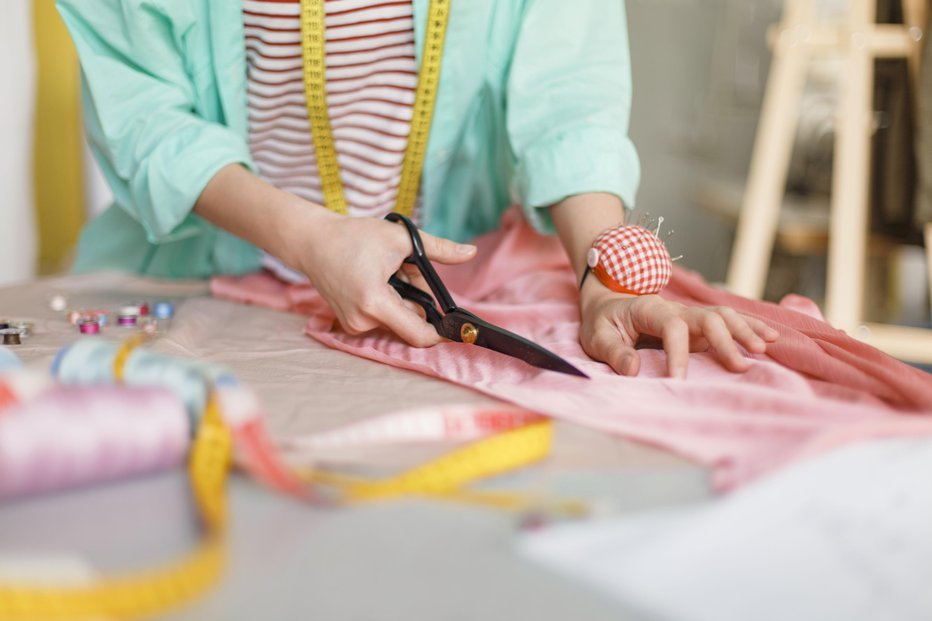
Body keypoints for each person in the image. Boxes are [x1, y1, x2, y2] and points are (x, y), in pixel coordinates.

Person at [57, 0, 777, 378]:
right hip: (197, 281)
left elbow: (568, 95)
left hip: (451, 280)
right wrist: (311, 239)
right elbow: (146, 118)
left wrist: (601, 273)